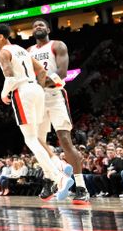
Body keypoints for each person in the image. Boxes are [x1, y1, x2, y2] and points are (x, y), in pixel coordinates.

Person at [0, 23, 73, 201]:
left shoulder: (3, 53)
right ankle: (58, 164)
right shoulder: (22, 49)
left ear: (1, 37)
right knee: (39, 138)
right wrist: (38, 89)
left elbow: (10, 77)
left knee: (31, 139)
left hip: (23, 92)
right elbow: (41, 71)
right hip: (37, 90)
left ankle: (59, 178)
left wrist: (4, 93)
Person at [27, 19, 88, 204]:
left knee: (65, 141)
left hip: (55, 96)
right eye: (35, 26)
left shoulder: (57, 45)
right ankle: (51, 178)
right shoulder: (29, 52)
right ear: (32, 31)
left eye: (41, 25)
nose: (38, 27)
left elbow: (61, 73)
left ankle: (81, 187)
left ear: (48, 29)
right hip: (38, 98)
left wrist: (39, 83)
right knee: (37, 142)